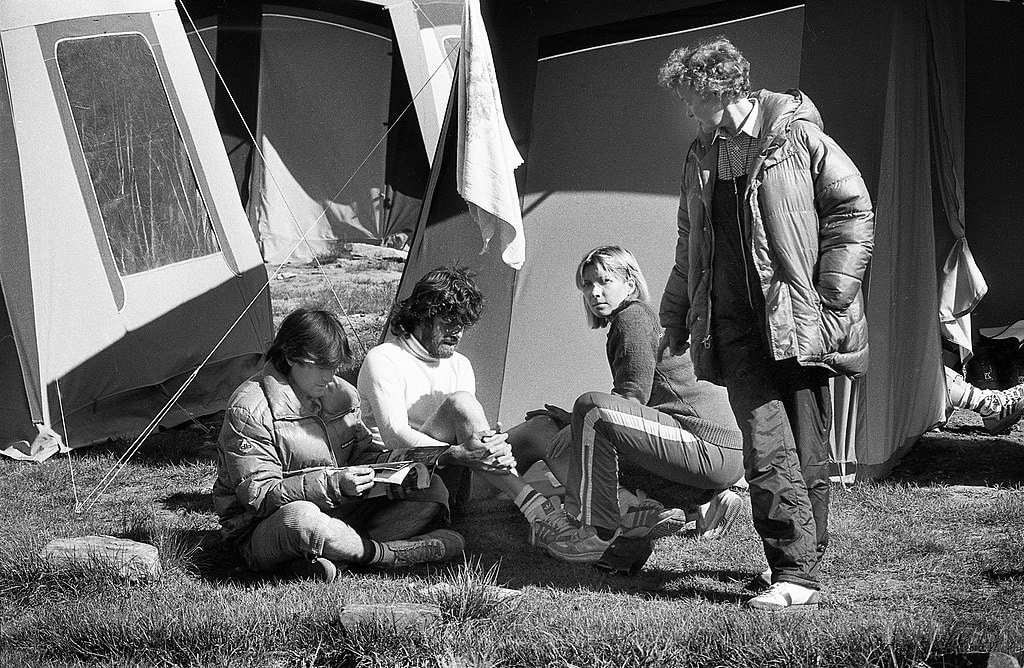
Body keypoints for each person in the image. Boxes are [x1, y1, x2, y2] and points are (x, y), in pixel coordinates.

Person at [657, 37, 875, 610]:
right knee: (764, 441)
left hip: (796, 316)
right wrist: (676, 313)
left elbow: (852, 211)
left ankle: (803, 566)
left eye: (688, 97)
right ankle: (794, 569)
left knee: (806, 443)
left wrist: (830, 294)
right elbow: (691, 242)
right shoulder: (705, 153)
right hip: (736, 325)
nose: (685, 111)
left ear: (715, 89)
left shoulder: (797, 137)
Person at [212, 308, 463, 582]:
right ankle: (386, 555)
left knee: (432, 487)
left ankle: (337, 552)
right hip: (262, 528)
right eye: (322, 366)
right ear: (291, 358)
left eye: (334, 367)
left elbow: (362, 453)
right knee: (302, 518)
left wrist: (395, 467)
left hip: (341, 511)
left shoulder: (341, 394)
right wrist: (334, 484)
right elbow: (259, 497)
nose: (330, 377)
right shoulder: (249, 410)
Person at [531, 246, 746, 565]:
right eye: (587, 285)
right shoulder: (638, 319)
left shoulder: (632, 317)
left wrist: (580, 421)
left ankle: (597, 533)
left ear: (630, 284)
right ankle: (703, 502)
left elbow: (631, 396)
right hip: (716, 448)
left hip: (707, 444)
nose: (594, 292)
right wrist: (571, 422)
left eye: (604, 281)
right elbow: (635, 401)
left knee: (590, 408)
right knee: (593, 429)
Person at [357, 266, 571, 539]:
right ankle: (534, 508)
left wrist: (493, 445)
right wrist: (458, 453)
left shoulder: (460, 364)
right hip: (408, 480)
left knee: (541, 427)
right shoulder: (384, 358)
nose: (457, 334)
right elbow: (394, 436)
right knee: (461, 403)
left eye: (463, 326)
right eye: (448, 323)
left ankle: (601, 512)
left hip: (461, 472)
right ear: (422, 316)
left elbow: (470, 436)